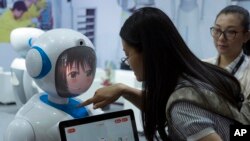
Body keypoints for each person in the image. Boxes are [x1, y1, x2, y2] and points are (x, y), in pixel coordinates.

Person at [80, 7, 244, 141]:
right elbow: (163, 105)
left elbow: (177, 109)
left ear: (147, 52)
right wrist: (124, 90)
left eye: (127, 54)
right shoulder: (199, 74)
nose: (127, 62)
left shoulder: (181, 109)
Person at [5, 28, 102, 141]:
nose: (83, 80)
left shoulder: (83, 106)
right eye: (74, 74)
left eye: (89, 72)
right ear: (36, 66)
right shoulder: (26, 122)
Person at [204, 5, 250, 99]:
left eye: (230, 32)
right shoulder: (203, 66)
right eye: (217, 30)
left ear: (246, 36)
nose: (221, 38)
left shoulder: (248, 74)